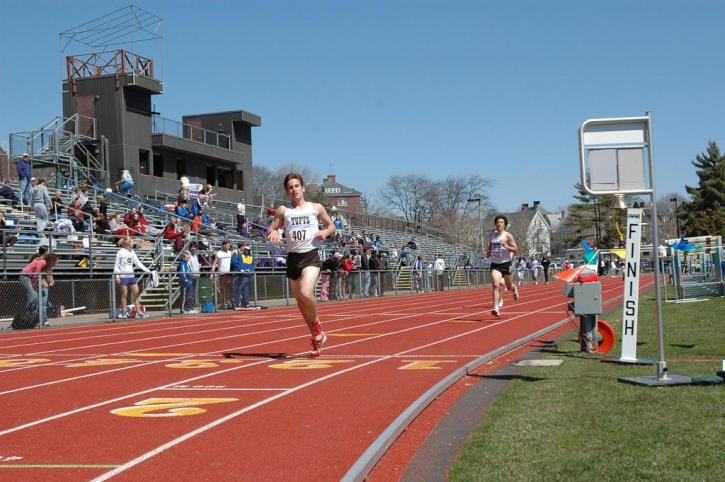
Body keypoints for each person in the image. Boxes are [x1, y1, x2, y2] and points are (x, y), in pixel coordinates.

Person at [266, 173, 335, 356]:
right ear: (287, 191)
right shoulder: (284, 211)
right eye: (290, 187)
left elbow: (331, 225)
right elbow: (272, 227)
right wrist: (273, 232)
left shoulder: (316, 207)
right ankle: (316, 338)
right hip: (293, 259)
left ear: (303, 188)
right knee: (301, 304)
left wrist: (325, 232)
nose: (294, 189)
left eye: (297, 186)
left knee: (306, 292)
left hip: (310, 256)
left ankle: (317, 326)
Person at [487, 215, 519, 317]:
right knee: (496, 285)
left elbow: (516, 250)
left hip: (506, 264)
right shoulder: (492, 236)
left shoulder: (508, 236)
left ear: (505, 224)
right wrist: (488, 252)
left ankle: (514, 289)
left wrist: (506, 246)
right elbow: (489, 247)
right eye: (497, 222)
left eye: (501, 222)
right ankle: (496, 308)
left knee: (508, 287)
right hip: (495, 264)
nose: (499, 224)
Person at [114, 237, 151, 319]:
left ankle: (138, 311)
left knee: (136, 292)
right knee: (124, 294)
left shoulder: (132, 252)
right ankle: (124, 311)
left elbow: (138, 263)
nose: (133, 243)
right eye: (132, 242)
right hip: (123, 276)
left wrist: (148, 270)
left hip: (131, 276)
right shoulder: (120, 252)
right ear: (127, 243)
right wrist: (117, 276)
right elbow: (116, 265)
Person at [19, 252, 58, 326]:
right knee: (33, 297)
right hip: (25, 276)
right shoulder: (42, 262)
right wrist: (34, 285)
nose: (57, 263)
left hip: (30, 278)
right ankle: (26, 314)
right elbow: (36, 275)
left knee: (36, 299)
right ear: (52, 260)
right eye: (56, 261)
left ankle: (32, 318)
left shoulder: (45, 265)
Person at [231, 243, 255, 309]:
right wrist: (241, 269)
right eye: (245, 250)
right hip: (240, 274)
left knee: (246, 289)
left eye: (248, 250)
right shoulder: (239, 255)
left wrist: (250, 270)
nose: (246, 251)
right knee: (237, 289)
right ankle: (236, 304)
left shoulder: (251, 257)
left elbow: (252, 266)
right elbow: (237, 263)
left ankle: (245, 303)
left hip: (248, 275)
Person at [211, 240, 233, 309]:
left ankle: (227, 302)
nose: (229, 246)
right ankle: (222, 303)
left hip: (229, 273)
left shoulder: (230, 253)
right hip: (222, 273)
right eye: (228, 245)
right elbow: (214, 263)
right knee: (222, 289)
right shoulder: (218, 253)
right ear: (224, 245)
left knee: (229, 289)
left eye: (229, 245)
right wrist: (212, 273)